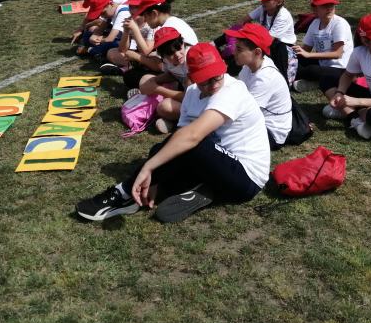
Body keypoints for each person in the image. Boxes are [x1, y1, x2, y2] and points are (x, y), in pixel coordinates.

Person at [75, 42, 269, 223]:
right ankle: (190, 187)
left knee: (192, 143)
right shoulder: (192, 92)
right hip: (219, 159)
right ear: (191, 76)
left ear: (224, 68)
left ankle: (123, 193)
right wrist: (158, 172)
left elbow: (192, 137)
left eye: (216, 77)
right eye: (205, 81)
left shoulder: (232, 91)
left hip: (246, 178)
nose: (213, 85)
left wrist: (149, 167)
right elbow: (178, 138)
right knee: (164, 147)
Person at [226, 23, 292, 149]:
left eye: (239, 49)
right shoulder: (249, 66)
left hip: (272, 133)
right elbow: (238, 92)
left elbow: (245, 112)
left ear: (257, 52)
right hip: (259, 122)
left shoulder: (265, 77)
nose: (234, 52)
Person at [292, 0, 353, 93]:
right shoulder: (315, 23)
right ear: (314, 9)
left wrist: (308, 55)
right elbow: (306, 48)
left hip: (341, 68)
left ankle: (318, 83)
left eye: (332, 5)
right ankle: (318, 81)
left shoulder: (339, 24)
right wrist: (293, 52)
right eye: (324, 6)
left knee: (311, 70)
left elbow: (337, 54)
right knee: (294, 62)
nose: (329, 8)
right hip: (323, 63)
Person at [138, 26, 192, 134]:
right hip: (184, 92)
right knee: (146, 79)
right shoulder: (167, 61)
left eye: (179, 47)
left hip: (199, 102)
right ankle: (170, 116)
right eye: (170, 53)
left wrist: (157, 89)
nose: (177, 55)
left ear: (183, 43)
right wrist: (154, 81)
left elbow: (190, 97)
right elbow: (173, 74)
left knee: (164, 107)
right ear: (163, 56)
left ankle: (176, 120)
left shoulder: (192, 59)